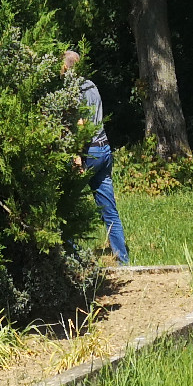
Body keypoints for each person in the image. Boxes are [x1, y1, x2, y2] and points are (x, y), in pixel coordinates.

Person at [63, 50, 129, 264]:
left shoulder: (72, 90)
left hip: (88, 151)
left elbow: (81, 124)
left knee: (65, 206)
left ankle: (73, 260)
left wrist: (76, 156)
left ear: (66, 67)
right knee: (109, 210)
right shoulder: (92, 85)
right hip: (104, 149)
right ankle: (123, 261)